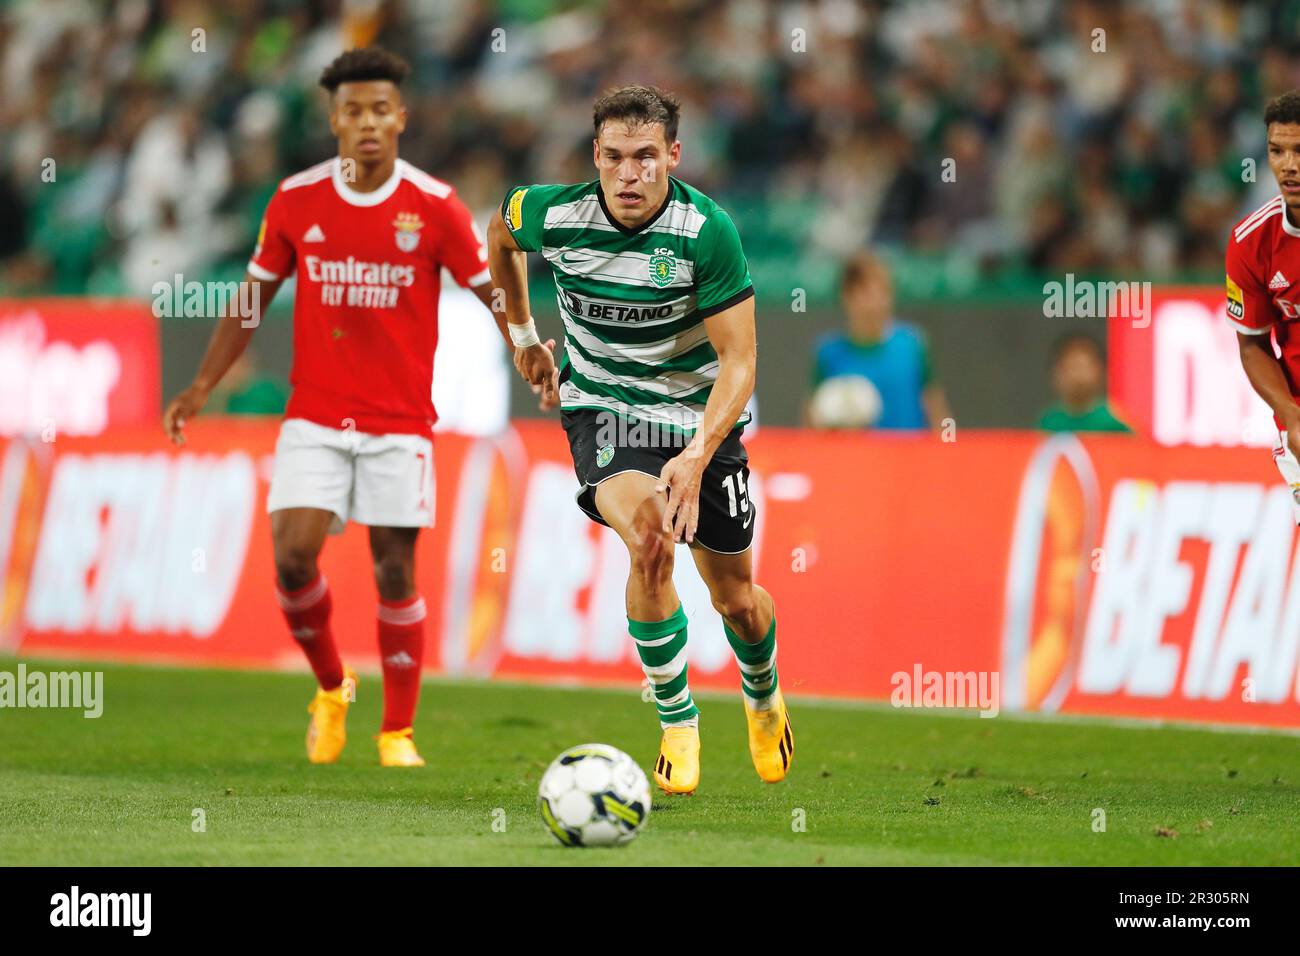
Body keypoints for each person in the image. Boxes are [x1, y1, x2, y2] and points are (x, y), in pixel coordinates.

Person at [163, 47, 516, 767]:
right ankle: (331, 685)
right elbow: (252, 299)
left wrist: (529, 345)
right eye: (352, 111)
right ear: (333, 120)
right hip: (316, 415)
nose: (367, 123)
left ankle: (397, 733)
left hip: (400, 420)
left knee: (394, 571)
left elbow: (492, 291)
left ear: (401, 119)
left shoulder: (436, 207)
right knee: (292, 560)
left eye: (380, 110)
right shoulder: (296, 200)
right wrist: (202, 385)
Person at [485, 86, 793, 796]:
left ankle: (762, 689)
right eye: (616, 157)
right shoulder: (549, 212)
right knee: (649, 540)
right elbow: (497, 238)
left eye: (646, 157)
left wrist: (695, 454)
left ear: (672, 156)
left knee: (738, 601)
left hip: (698, 420)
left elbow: (740, 363)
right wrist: (525, 337)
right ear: (595, 156)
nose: (630, 174)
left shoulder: (706, 231)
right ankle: (677, 719)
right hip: (602, 407)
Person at [1230, 89, 1300, 524]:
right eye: (1277, 151)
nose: (1289, 166)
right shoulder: (1251, 243)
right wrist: (1292, 415)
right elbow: (1252, 345)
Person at [808, 252, 950, 430]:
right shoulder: (828, 352)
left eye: (883, 292)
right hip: (853, 457)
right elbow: (811, 423)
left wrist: (948, 451)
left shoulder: (911, 344)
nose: (876, 302)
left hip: (909, 455)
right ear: (846, 295)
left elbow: (938, 412)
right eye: (866, 293)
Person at [1037, 333, 1131, 433]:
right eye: (1070, 366)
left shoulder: (1116, 419)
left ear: (1101, 371)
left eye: (1083, 366)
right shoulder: (1048, 421)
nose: (1077, 375)